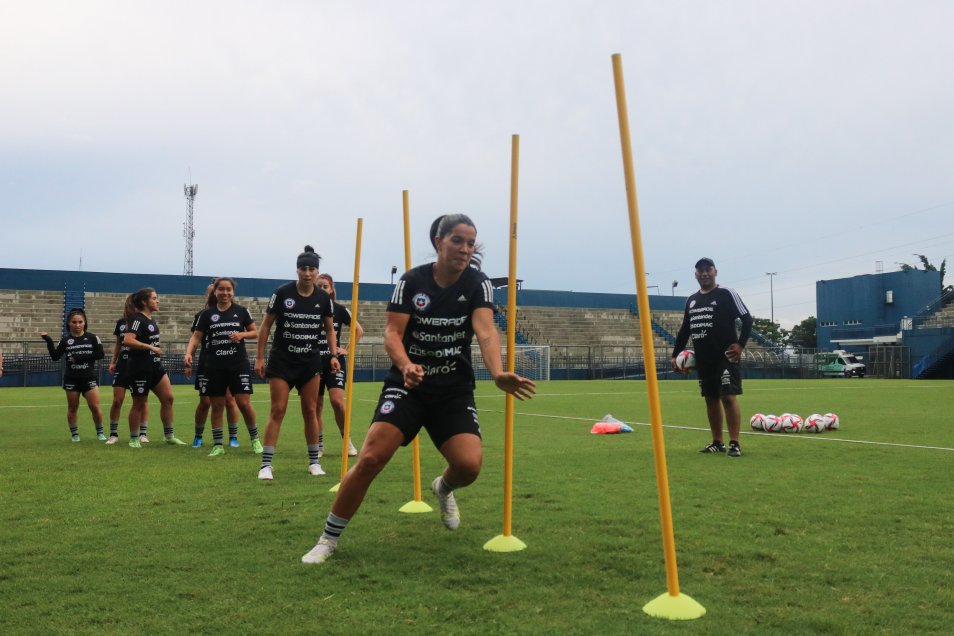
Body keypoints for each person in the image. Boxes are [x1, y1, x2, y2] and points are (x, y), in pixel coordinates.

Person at [301, 214, 536, 565]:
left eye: (471, 243)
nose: (465, 248)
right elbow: (392, 333)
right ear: (439, 242)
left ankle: (442, 488)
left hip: (452, 389)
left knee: (469, 466)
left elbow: (486, 331)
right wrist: (406, 365)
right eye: (458, 240)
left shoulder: (478, 284)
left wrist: (498, 371)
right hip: (408, 385)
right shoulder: (412, 282)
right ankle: (328, 539)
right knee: (369, 459)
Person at [255, 246, 340, 479]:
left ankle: (314, 462)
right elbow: (265, 326)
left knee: (310, 410)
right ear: (297, 270)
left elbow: (330, 330)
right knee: (278, 410)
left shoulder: (323, 298)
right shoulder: (282, 293)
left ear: (317, 271)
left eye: (312, 269)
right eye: (303, 268)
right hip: (282, 361)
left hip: (309, 363)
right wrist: (260, 357)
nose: (307, 273)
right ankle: (266, 465)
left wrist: (333, 354)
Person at [671, 257, 753, 458]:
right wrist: (675, 355)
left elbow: (747, 318)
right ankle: (717, 442)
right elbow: (685, 330)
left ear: (715, 271)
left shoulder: (726, 293)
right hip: (703, 358)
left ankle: (734, 443)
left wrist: (740, 344)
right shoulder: (691, 300)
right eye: (700, 270)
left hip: (726, 355)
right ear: (695, 274)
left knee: (728, 396)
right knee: (710, 398)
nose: (704, 273)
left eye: (708, 269)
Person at [185, 277, 263, 456]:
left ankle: (255, 440)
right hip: (214, 365)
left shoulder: (242, 311)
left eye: (228, 289)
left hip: (238, 364)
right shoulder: (206, 314)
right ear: (215, 291)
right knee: (217, 405)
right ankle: (218, 444)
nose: (225, 293)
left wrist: (242, 334)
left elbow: (255, 332)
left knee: (243, 403)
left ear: (233, 292)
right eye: (221, 289)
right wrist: (189, 353)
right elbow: (196, 337)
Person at [123, 288, 186, 447]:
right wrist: (149, 347)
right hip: (139, 368)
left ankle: (169, 436)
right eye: (154, 298)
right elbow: (128, 340)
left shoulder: (151, 320)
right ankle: (134, 438)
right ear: (145, 302)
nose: (157, 301)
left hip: (155, 366)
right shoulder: (137, 319)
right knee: (139, 403)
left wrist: (154, 349)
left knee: (168, 398)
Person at [315, 273, 364, 458]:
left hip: (334, 361)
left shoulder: (340, 309)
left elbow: (358, 330)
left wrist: (347, 349)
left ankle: (347, 440)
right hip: (312, 362)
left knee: (337, 402)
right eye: (318, 286)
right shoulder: (308, 308)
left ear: (331, 289)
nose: (322, 289)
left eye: (325, 286)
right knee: (316, 405)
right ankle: (318, 445)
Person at [188, 282, 241, 449]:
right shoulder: (202, 315)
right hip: (207, 362)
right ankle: (198, 436)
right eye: (213, 291)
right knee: (205, 401)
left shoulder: (235, 312)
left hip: (227, 361)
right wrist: (189, 360)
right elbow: (195, 340)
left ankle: (233, 437)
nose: (217, 294)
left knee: (230, 400)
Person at [40, 308, 106, 441]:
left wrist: (80, 358)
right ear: (69, 324)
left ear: (85, 323)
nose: (77, 325)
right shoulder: (65, 340)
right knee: (72, 407)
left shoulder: (93, 338)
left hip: (89, 377)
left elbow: (100, 354)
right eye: (74, 322)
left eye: (80, 322)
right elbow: (55, 357)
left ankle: (100, 432)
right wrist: (48, 340)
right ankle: (75, 435)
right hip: (72, 378)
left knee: (94, 406)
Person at [107, 309, 149, 444]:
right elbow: (119, 344)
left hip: (138, 365)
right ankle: (113, 434)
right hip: (123, 365)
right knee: (117, 400)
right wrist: (113, 361)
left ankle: (143, 433)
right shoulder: (121, 323)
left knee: (141, 401)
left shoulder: (143, 322)